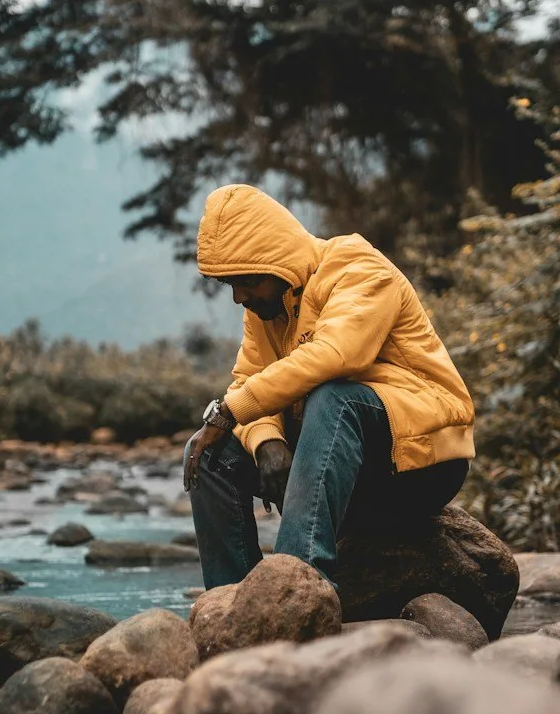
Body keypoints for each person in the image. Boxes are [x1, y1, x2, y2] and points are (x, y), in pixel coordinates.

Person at [184, 183, 476, 590]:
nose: (238, 297)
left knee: (333, 397)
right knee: (209, 453)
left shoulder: (358, 267)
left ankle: (297, 586)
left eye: (246, 281)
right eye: (230, 284)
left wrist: (233, 409)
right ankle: (234, 602)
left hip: (421, 464)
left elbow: (338, 354)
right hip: (338, 469)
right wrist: (267, 440)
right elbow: (249, 379)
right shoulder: (267, 307)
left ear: (276, 262)